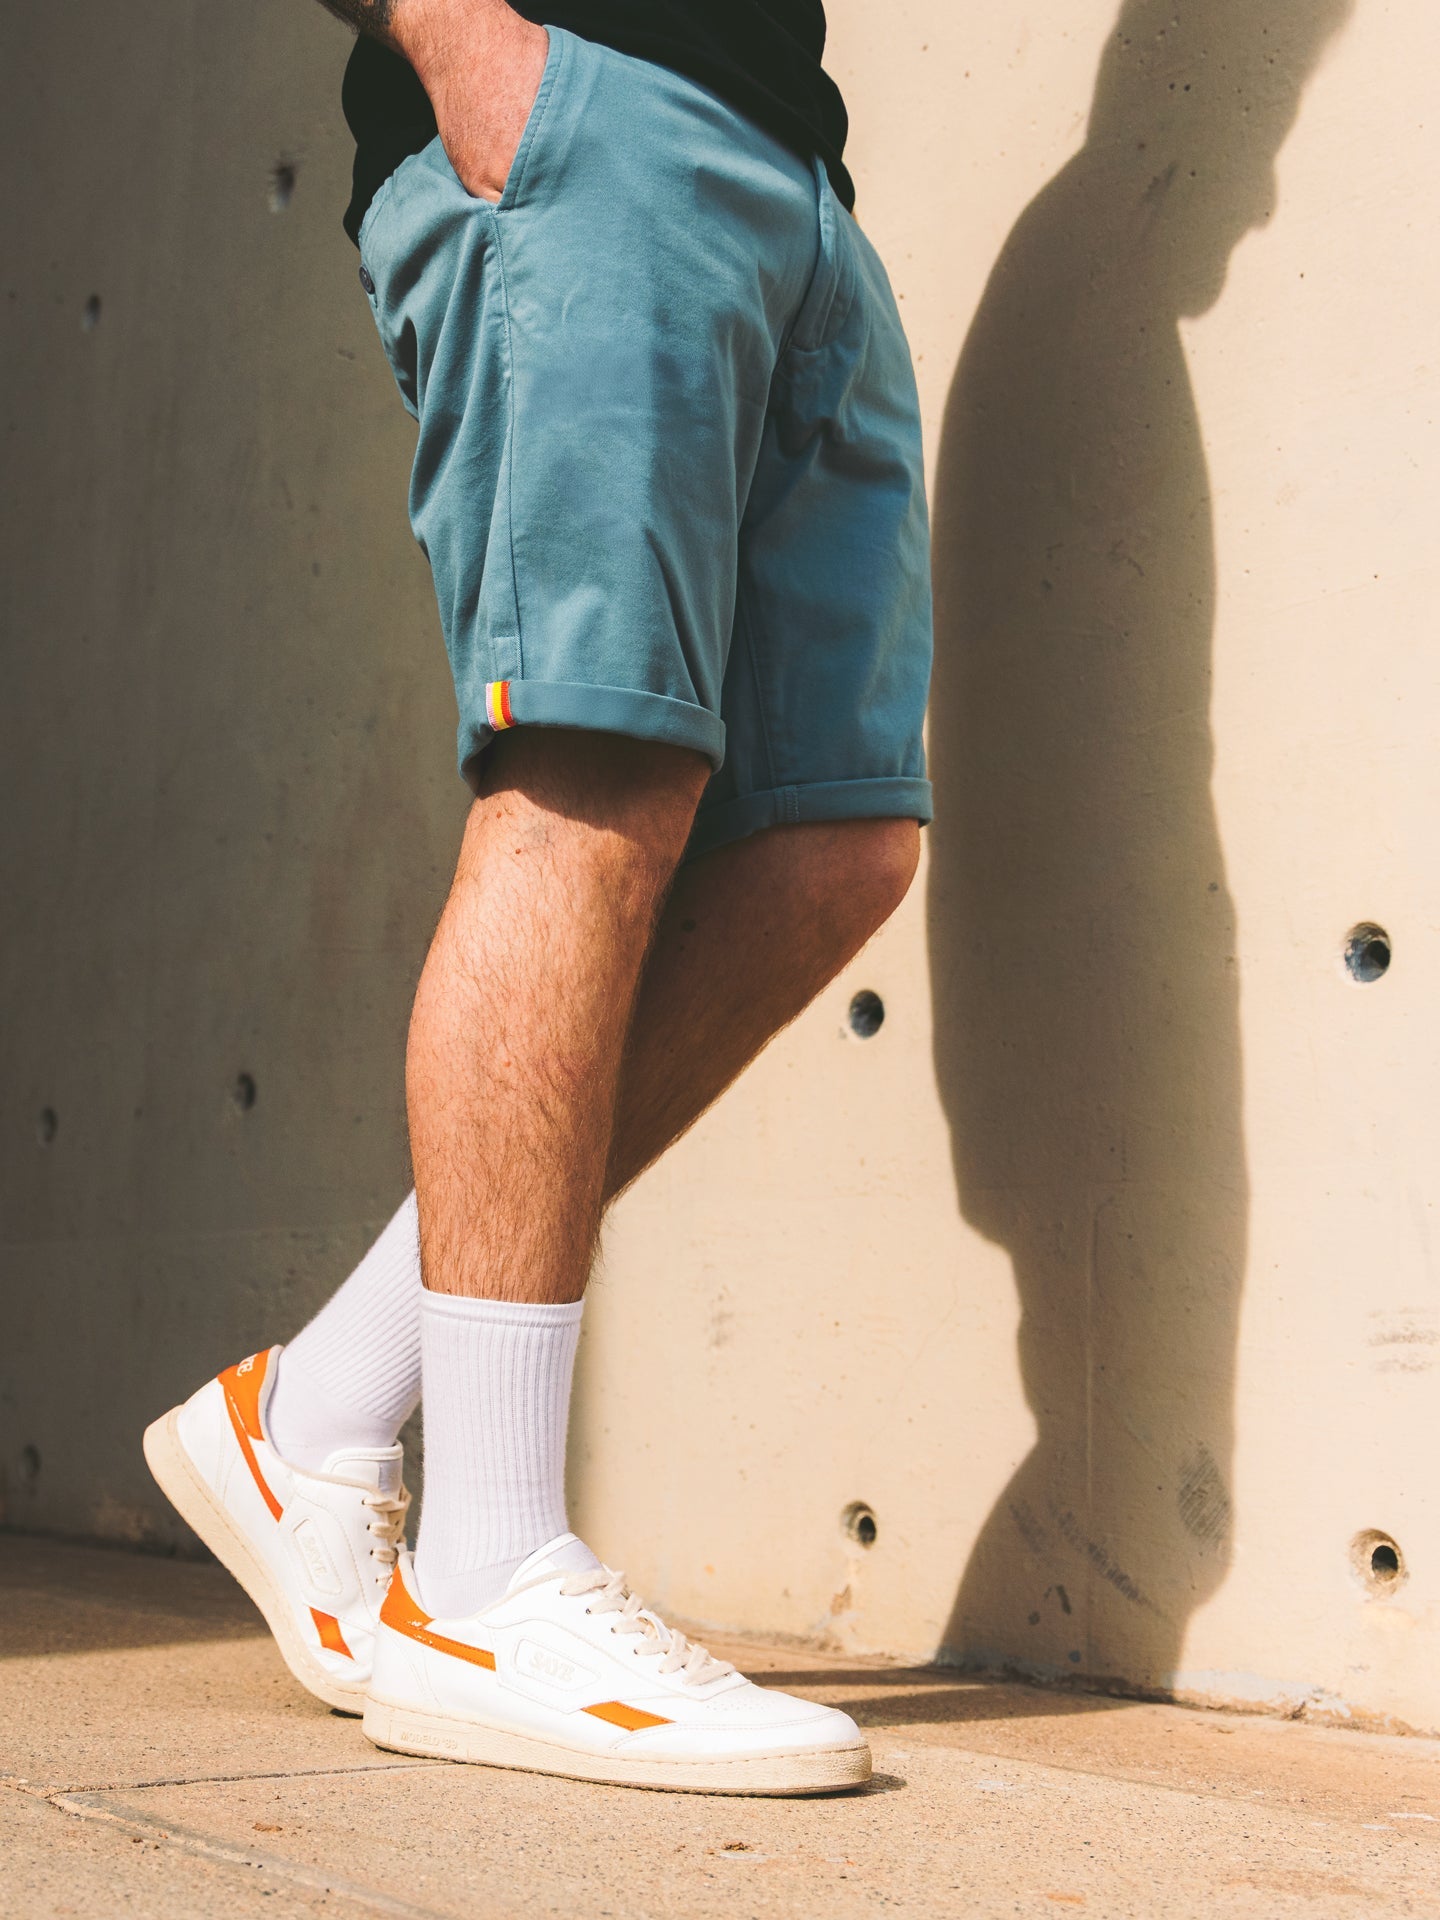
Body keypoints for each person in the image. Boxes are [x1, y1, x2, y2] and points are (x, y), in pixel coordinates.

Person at [145, 0, 932, 1796]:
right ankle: (485, 1569)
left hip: (787, 162)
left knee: (833, 840)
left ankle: (326, 1405)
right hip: (579, 106)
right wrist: (454, 39)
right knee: (589, 780)